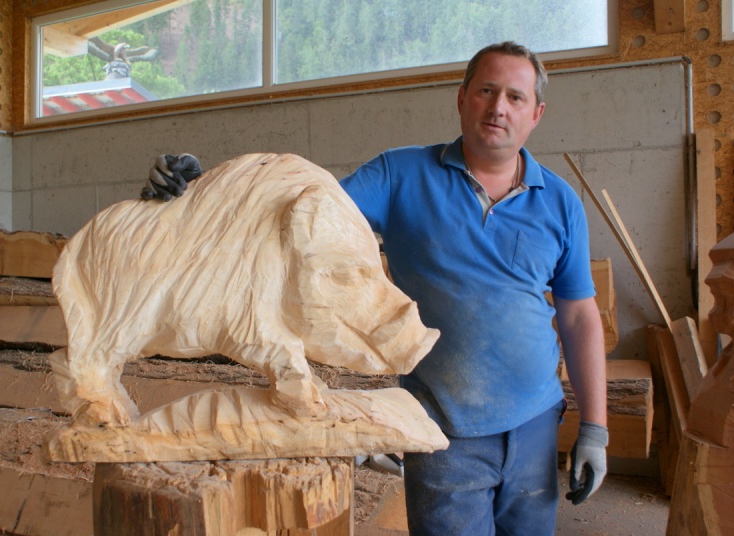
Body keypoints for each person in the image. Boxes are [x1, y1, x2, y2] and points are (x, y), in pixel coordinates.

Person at [142, 40, 608, 536]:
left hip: (536, 422)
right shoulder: (401, 175)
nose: (498, 107)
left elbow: (579, 316)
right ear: (461, 97)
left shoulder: (560, 202)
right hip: (442, 428)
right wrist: (195, 192)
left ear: (536, 114)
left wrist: (595, 430)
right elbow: (300, 210)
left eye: (515, 97)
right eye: (486, 91)